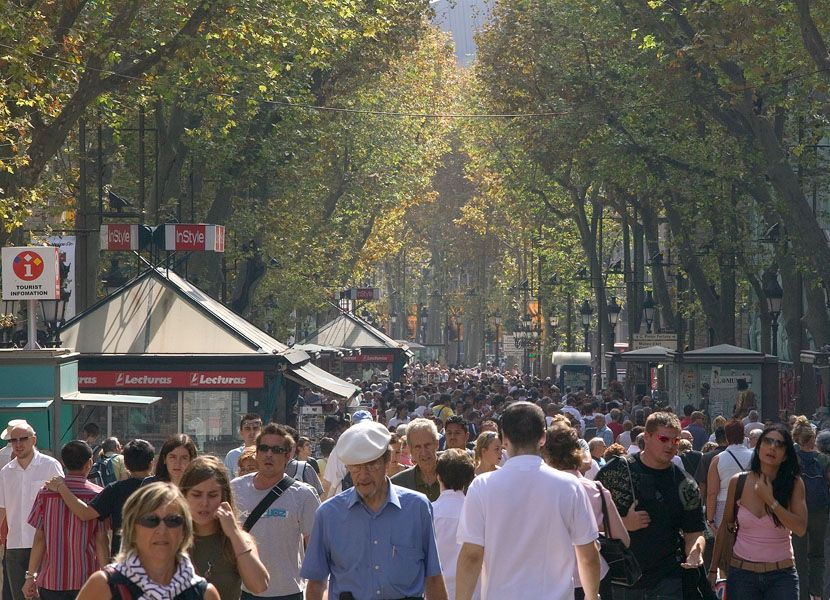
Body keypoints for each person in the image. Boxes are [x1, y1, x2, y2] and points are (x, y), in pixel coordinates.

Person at [456, 401, 601, 600]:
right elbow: (588, 555)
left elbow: (471, 555)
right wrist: (592, 596)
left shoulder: (481, 486)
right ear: (543, 437)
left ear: (504, 439)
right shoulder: (569, 486)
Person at [301, 420, 447, 600]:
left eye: (371, 465)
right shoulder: (329, 514)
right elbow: (316, 583)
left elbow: (433, 577)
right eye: (355, 467)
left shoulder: (417, 508)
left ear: (387, 461)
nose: (363, 475)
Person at [596, 411, 706, 599]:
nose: (671, 445)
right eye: (664, 439)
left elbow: (695, 531)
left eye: (676, 441)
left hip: (667, 578)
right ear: (647, 437)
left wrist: (696, 551)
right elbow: (586, 520)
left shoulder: (685, 484)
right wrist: (623, 523)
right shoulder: (615, 472)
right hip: (622, 579)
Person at [710, 424, 807, 598]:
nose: (772, 447)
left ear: (785, 455)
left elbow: (800, 528)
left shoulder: (794, 484)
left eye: (779, 444)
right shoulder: (738, 482)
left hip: (781, 575)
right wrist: (712, 570)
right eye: (768, 441)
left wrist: (770, 500)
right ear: (758, 446)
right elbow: (726, 526)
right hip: (742, 574)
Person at [76, 482, 220, 599]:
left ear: (185, 530)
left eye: (173, 520)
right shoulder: (104, 585)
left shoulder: (204, 593)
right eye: (151, 520)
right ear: (132, 529)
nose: (162, 530)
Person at [231, 423, 320, 600]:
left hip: (289, 592)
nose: (269, 454)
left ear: (288, 456)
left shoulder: (304, 495)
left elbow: (316, 550)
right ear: (257, 452)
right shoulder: (235, 489)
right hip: (244, 591)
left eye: (276, 450)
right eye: (263, 448)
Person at [544, 417, 629, 600]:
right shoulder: (595, 489)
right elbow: (623, 539)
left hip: (549, 581)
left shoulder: (536, 490)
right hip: (595, 578)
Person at [22, 441, 108, 600]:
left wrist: (30, 576)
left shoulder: (45, 494)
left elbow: (40, 538)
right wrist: (107, 578)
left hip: (51, 580)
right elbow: (101, 539)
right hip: (86, 579)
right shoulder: (98, 495)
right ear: (89, 463)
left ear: (63, 463)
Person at [46, 439, 155, 560]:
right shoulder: (164, 489)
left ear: (126, 464)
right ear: (151, 463)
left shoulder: (115, 489)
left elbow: (84, 513)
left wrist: (62, 488)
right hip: (159, 556)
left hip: (124, 560)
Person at [180, 457, 269, 600]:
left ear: (224, 497)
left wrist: (234, 534)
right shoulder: (172, 535)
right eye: (196, 495)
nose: (204, 503)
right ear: (184, 496)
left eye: (213, 495)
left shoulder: (237, 539)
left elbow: (260, 585)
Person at [0, 420, 64, 600]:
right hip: (15, 546)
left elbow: (62, 503)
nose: (18, 444)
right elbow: (2, 508)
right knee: (18, 596)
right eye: (14, 440)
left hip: (46, 544)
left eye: (23, 439)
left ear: (33, 440)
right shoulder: (6, 472)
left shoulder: (50, 465)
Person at [791, 417, 830, 600]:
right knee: (817, 554)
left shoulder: (792, 458)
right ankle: (818, 593)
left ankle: (803, 594)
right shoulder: (823, 459)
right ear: (813, 439)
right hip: (820, 512)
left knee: (800, 556)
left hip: (798, 511)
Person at [432, 449, 477, 600]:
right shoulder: (477, 513)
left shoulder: (428, 512)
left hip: (436, 592)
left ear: (438, 476)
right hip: (471, 592)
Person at [706, 419, 753, 530]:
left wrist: (710, 519)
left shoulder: (718, 459)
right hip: (750, 505)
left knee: (725, 545)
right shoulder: (754, 457)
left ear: (727, 437)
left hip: (724, 505)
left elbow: (712, 492)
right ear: (743, 436)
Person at [391, 418, 441, 501]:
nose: (424, 452)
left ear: (437, 444)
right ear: (410, 450)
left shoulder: (455, 476)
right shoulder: (398, 484)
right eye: (417, 447)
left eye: (427, 445)